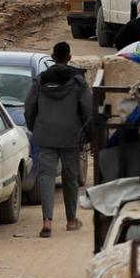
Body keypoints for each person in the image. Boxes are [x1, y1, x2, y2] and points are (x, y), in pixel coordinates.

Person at [25, 42, 92, 238]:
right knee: (71, 178)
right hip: (72, 136)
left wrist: (34, 127)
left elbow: (29, 106)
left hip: (46, 135)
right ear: (69, 57)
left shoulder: (40, 80)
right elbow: (87, 109)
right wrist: (90, 135)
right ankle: (71, 220)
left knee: (46, 176)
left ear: (53, 56)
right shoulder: (78, 81)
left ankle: (47, 221)